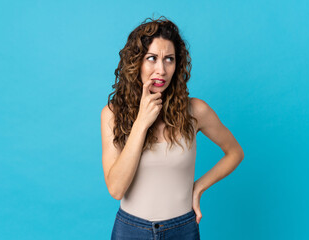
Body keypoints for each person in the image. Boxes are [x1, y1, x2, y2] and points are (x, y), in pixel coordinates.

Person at [101, 16, 244, 240]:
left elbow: (235, 152)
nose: (161, 69)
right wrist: (141, 122)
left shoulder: (195, 111)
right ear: (136, 62)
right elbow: (116, 189)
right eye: (152, 58)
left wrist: (198, 188)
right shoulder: (112, 114)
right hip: (131, 230)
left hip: (182, 229)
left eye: (169, 59)